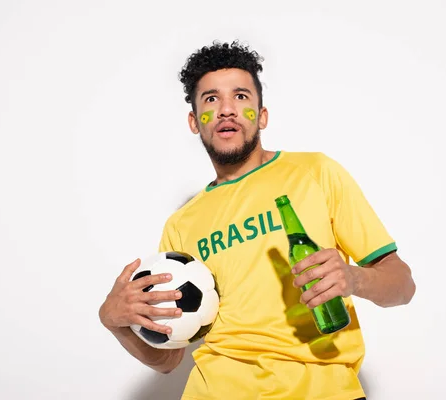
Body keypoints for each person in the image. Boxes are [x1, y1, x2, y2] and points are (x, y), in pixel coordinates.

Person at [99, 40, 416, 400]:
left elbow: (402, 286)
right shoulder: (180, 225)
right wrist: (117, 324)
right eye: (211, 100)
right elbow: (169, 358)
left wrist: (355, 278)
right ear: (194, 121)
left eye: (241, 96)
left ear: (262, 115)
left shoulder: (315, 173)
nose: (227, 110)